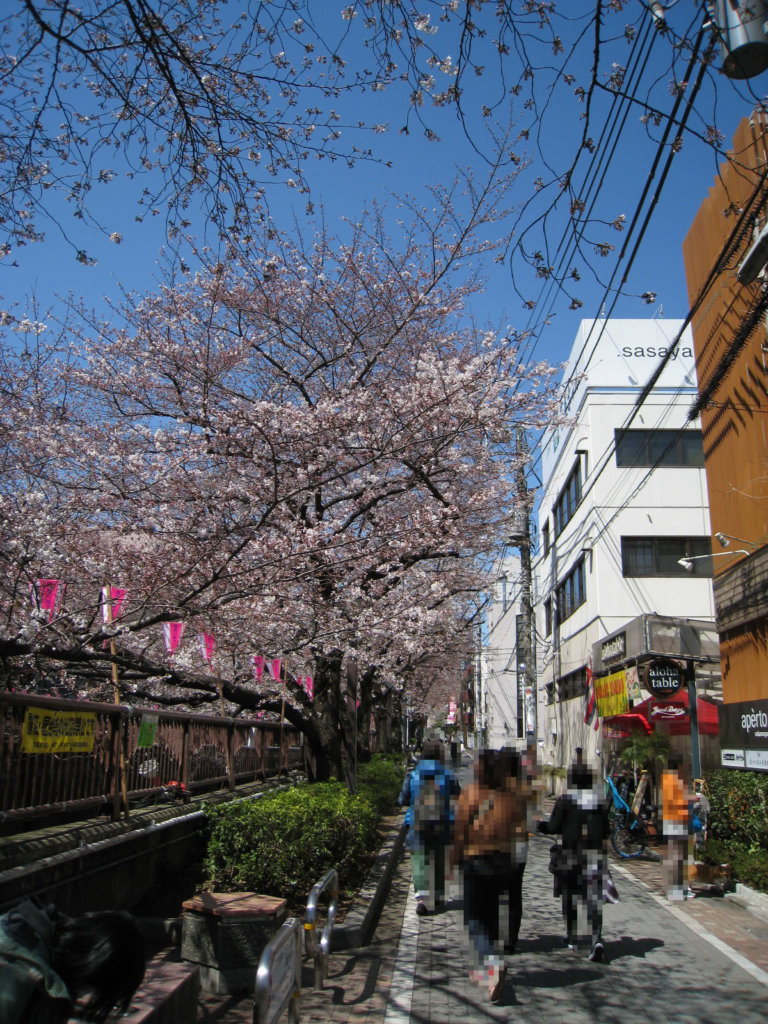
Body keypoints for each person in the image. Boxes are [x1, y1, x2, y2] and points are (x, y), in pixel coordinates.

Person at [449, 747, 529, 1003]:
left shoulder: (470, 793)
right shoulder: (512, 796)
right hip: (504, 862)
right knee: (493, 917)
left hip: (476, 861)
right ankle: (489, 967)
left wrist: (453, 860)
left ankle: (491, 966)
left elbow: (460, 831)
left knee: (474, 919)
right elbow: (520, 832)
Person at [0, 898, 145, 1023]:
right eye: (95, 990)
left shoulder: (47, 961)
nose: (84, 997)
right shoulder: (15, 973)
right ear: (90, 970)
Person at [537, 760, 610, 963]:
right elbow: (606, 831)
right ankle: (595, 940)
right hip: (594, 855)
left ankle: (573, 936)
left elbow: (553, 826)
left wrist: (539, 826)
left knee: (570, 897)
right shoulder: (598, 801)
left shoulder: (565, 801)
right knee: (593, 900)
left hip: (571, 855)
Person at [398, 738, 460, 917]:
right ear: (440, 755)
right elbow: (458, 793)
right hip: (443, 823)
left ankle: (422, 899)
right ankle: (439, 896)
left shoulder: (412, 774)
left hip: (417, 824)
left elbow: (402, 800)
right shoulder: (448, 775)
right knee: (439, 859)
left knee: (419, 861)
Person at [662, 757, 691, 900]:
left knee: (676, 857)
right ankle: (675, 890)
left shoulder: (668, 779)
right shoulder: (674, 781)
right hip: (677, 821)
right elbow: (679, 800)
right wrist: (693, 799)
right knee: (678, 857)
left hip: (673, 821)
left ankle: (674, 889)